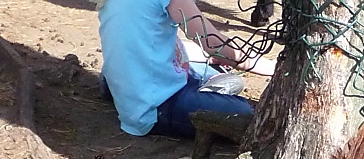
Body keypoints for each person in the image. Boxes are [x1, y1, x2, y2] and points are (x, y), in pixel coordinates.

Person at [96, 0, 275, 139]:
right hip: (156, 107)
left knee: (212, 67)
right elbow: (217, 47)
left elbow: (149, 39)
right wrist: (274, 67)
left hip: (124, 89)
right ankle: (207, 91)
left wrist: (207, 54)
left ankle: (207, 89)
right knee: (247, 114)